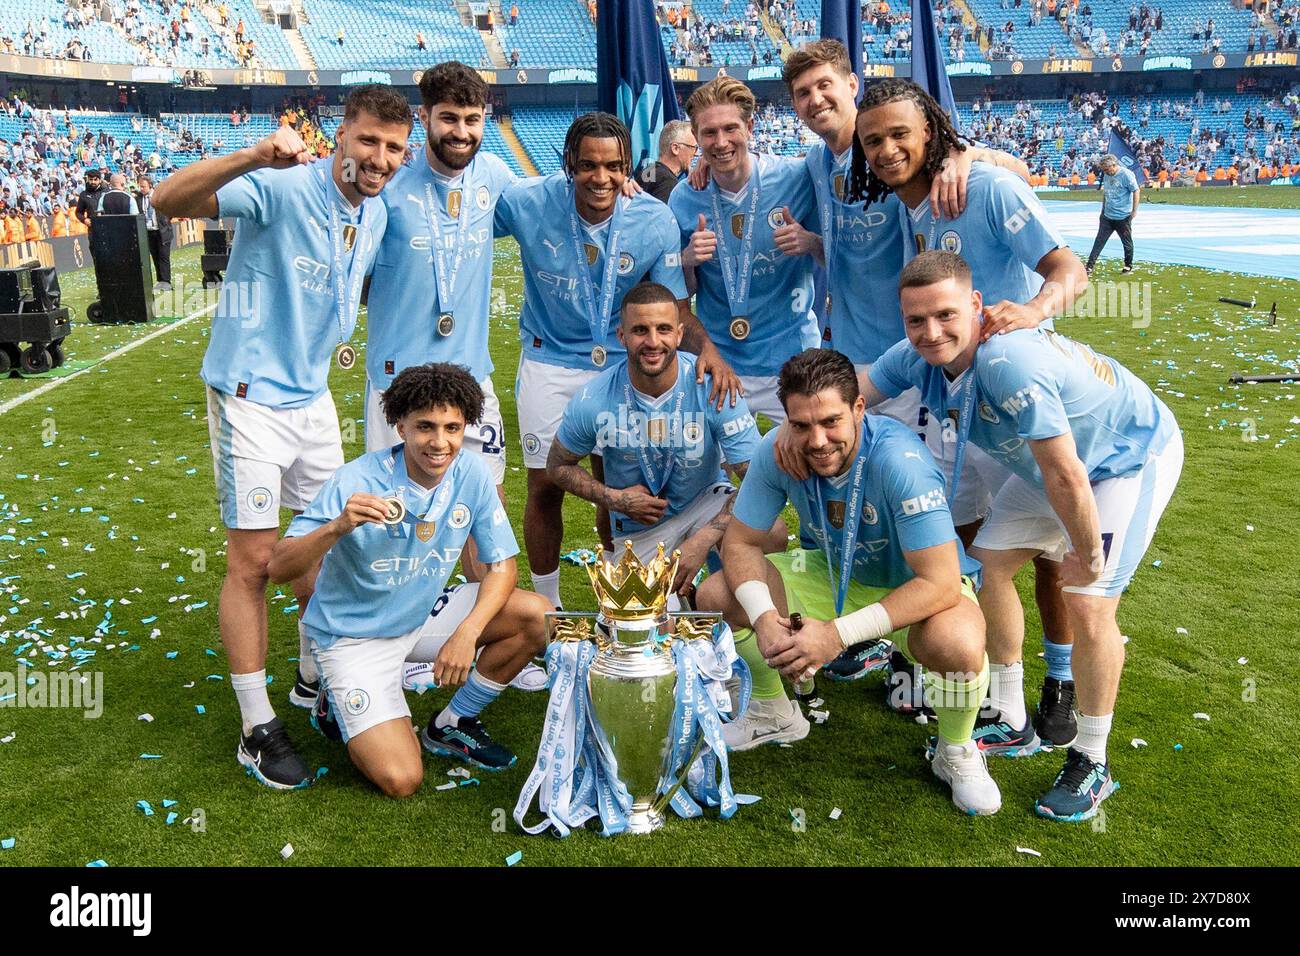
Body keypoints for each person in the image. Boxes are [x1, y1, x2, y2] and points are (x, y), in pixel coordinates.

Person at [150, 85, 412, 790]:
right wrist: (250, 155)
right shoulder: (278, 186)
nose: (378, 158)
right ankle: (256, 727)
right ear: (341, 137)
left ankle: (309, 678)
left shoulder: (380, 213)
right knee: (257, 562)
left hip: (313, 400)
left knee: (325, 545)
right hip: (249, 399)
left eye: (392, 147)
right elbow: (166, 201)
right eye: (367, 141)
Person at [865, 250, 1182, 820]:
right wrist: (795, 425)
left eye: (945, 315)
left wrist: (1087, 553)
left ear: (977, 306)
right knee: (990, 564)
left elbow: (1067, 474)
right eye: (916, 320)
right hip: (1052, 467)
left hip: (1122, 459)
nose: (930, 332)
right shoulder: (917, 357)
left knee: (1087, 604)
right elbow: (856, 388)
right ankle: (1011, 713)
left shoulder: (1007, 359)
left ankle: (1092, 757)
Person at [849, 77, 1090, 746]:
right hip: (954, 404)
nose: (889, 149)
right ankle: (979, 684)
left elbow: (1068, 267)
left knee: (1045, 555)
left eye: (901, 133)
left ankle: (1059, 685)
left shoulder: (979, 186)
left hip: (1017, 395)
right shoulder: (918, 204)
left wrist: (1035, 312)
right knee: (972, 550)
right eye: (874, 141)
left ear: (931, 130)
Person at [779, 40, 1029, 683]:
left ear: (852, 84)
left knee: (929, 507)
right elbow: (757, 188)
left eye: (825, 86)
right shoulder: (815, 164)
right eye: (803, 93)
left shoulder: (910, 161)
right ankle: (877, 636)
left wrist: (969, 154)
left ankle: (955, 646)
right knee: (861, 502)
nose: (816, 101)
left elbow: (1002, 168)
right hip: (853, 360)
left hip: (915, 357)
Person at [696, 348, 999, 816]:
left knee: (957, 642)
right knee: (718, 594)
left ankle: (955, 750)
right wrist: (766, 620)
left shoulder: (900, 461)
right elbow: (739, 544)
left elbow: (939, 582)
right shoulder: (779, 450)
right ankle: (773, 712)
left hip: (913, 587)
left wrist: (837, 635)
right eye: (800, 425)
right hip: (835, 573)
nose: (817, 441)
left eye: (831, 422)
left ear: (859, 409)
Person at [493, 112, 738, 611]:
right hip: (550, 360)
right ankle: (549, 609)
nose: (600, 178)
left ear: (629, 167)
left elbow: (674, 307)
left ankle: (621, 597)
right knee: (544, 485)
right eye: (587, 166)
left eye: (612, 167)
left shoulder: (651, 217)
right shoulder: (526, 201)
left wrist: (708, 347)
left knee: (617, 485)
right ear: (568, 164)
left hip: (621, 364)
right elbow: (464, 215)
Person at [268, 364, 549, 794]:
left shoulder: (471, 473)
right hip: (352, 638)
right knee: (401, 779)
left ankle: (451, 724)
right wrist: (336, 527)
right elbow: (279, 569)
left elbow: (501, 567)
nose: (440, 442)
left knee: (539, 616)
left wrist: (467, 633)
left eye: (452, 427)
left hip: (420, 616)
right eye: (425, 427)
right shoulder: (356, 480)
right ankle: (333, 695)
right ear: (400, 425)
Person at [547, 281, 783, 601]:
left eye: (663, 329)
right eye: (640, 330)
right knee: (642, 631)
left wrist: (704, 538)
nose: (653, 342)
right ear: (622, 336)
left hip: (705, 503)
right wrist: (614, 498)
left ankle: (728, 600)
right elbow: (558, 466)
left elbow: (759, 482)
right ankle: (682, 604)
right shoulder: (594, 398)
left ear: (680, 334)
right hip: (639, 527)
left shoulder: (714, 388)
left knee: (772, 530)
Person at [669, 75, 822, 425]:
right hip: (720, 361)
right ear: (696, 137)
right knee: (715, 476)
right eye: (708, 133)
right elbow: (683, 291)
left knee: (808, 466)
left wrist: (810, 243)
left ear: (750, 126)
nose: (720, 142)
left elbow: (841, 256)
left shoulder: (797, 178)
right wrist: (688, 260)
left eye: (730, 129)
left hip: (793, 358)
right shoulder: (684, 197)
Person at [1085, 153, 1140, 274]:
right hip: (1107, 216)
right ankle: (1089, 266)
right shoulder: (1106, 174)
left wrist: (1134, 211)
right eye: (1104, 170)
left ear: (1114, 165)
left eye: (1107, 169)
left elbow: (1136, 191)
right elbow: (1106, 192)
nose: (1105, 172)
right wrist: (1103, 210)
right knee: (1099, 241)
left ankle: (1128, 265)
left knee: (1126, 242)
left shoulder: (1126, 175)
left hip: (1123, 216)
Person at [634, 119, 697, 204]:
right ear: (675, 148)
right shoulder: (668, 182)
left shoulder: (648, 171)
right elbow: (662, 216)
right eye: (693, 148)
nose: (696, 154)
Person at [137, 174, 172, 288]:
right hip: (149, 231)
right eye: (140, 186)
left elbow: (169, 211)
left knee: (163, 256)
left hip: (162, 231)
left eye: (143, 186)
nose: (141, 189)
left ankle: (166, 281)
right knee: (155, 257)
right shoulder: (138, 199)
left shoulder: (159, 196)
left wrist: (165, 221)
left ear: (150, 186)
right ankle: (160, 281)